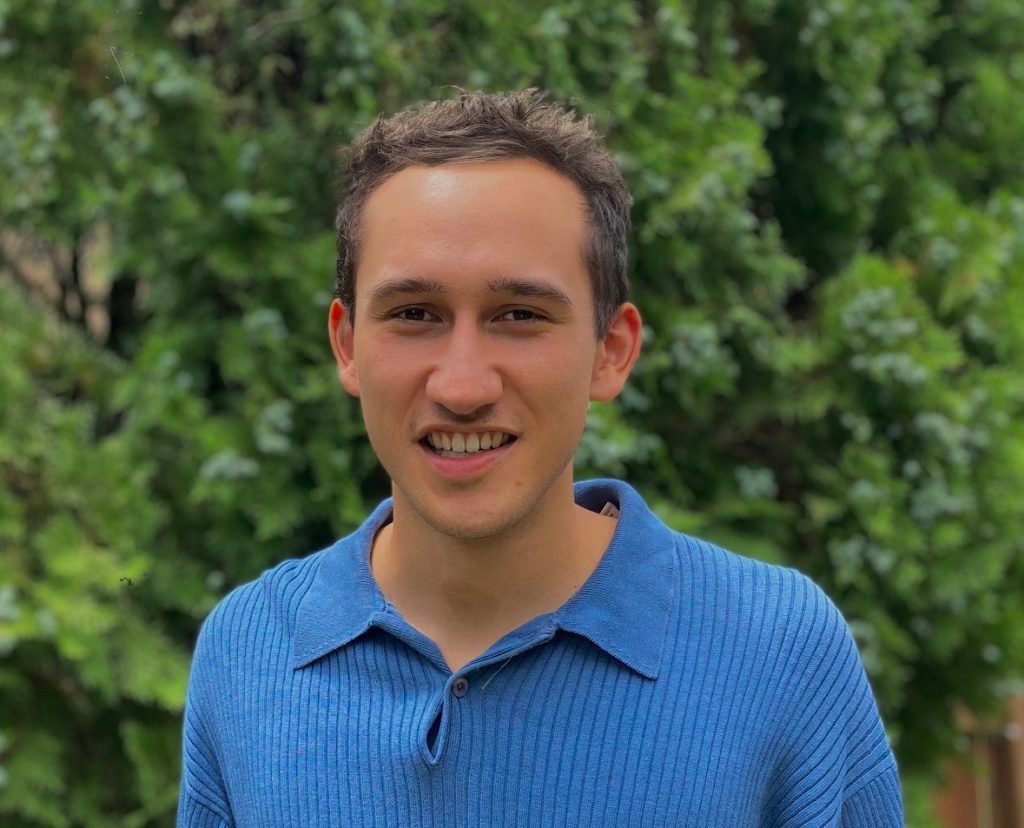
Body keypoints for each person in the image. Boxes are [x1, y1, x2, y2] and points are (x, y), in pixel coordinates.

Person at [177, 88, 903, 827]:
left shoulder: (779, 652)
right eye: (414, 314)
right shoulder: (248, 652)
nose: (462, 386)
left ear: (610, 351)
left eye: (520, 315)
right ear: (347, 345)